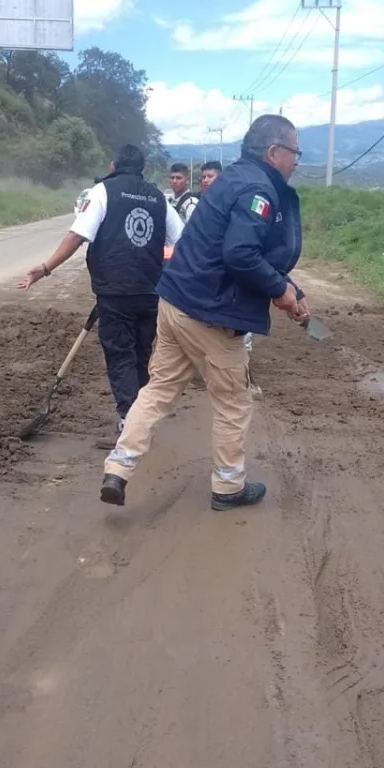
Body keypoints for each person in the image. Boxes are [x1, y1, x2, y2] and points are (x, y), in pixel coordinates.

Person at [100, 114, 309, 511]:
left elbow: (233, 249)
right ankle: (229, 487)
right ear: (274, 152)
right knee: (234, 400)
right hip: (210, 314)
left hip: (174, 301)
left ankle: (118, 468)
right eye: (295, 152)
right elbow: (240, 254)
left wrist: (289, 290)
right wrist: (280, 289)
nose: (297, 161)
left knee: (159, 389)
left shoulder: (232, 178)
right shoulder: (258, 190)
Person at [18, 144, 184, 448]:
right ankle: (140, 421)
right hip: (150, 290)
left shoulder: (103, 192)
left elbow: (77, 235)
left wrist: (45, 268)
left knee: (120, 354)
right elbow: (183, 241)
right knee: (140, 353)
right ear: (142, 169)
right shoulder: (159, 198)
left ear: (113, 165)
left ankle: (127, 425)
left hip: (115, 290)